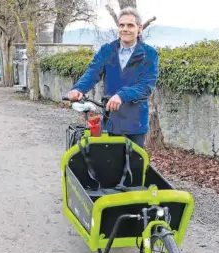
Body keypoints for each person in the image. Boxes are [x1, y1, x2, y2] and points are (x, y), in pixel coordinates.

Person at [67, 7, 159, 148]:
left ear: (139, 28)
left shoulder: (150, 54)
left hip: (135, 123)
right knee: (108, 165)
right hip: (110, 121)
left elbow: (146, 86)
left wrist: (121, 95)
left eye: (130, 25)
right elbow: (92, 72)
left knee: (133, 166)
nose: (125, 29)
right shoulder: (107, 50)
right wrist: (78, 89)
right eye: (121, 25)